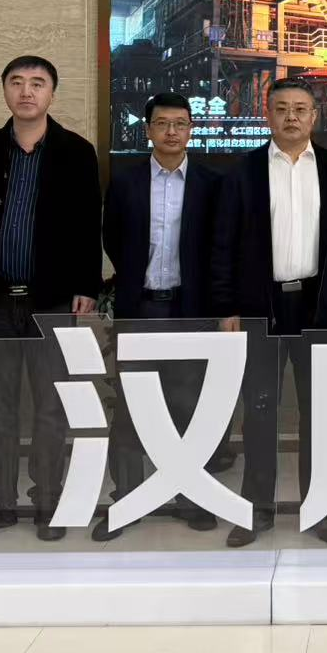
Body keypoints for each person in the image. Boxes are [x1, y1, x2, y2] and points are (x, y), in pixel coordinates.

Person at [0, 56, 102, 543]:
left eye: (37, 83)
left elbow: (89, 224)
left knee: (50, 408)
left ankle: (48, 501)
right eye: (16, 82)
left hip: (52, 301)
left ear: (52, 93)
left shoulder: (76, 152)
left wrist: (87, 285)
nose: (26, 91)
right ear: (4, 91)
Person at [212, 77, 327, 547]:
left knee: (323, 412)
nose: (291, 117)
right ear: (267, 114)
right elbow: (223, 243)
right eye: (281, 108)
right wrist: (227, 306)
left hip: (320, 307)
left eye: (300, 109)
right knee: (259, 410)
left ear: (315, 116)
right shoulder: (244, 171)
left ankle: (322, 509)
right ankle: (256, 509)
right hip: (262, 307)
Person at [94, 92, 223, 540]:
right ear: (147, 129)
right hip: (141, 307)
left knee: (189, 407)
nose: (172, 131)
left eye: (180, 124)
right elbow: (112, 239)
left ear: (191, 130)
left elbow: (217, 246)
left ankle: (191, 497)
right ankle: (127, 500)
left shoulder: (211, 183)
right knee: (132, 407)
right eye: (163, 123)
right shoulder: (125, 182)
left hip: (191, 310)